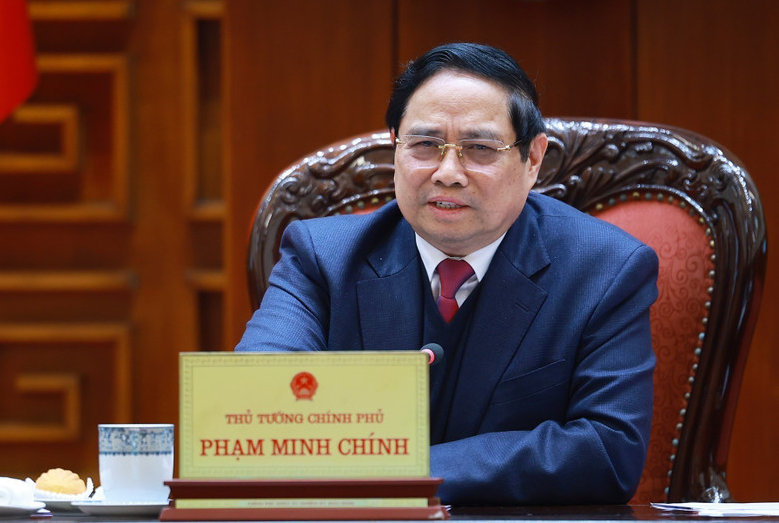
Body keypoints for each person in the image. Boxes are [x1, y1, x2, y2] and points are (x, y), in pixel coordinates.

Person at [236, 42, 658, 506]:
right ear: (394, 146)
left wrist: (397, 469)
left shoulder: (606, 270)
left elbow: (607, 451)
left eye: (479, 148)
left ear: (533, 159)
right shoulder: (322, 258)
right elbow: (258, 409)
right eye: (425, 146)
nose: (448, 173)